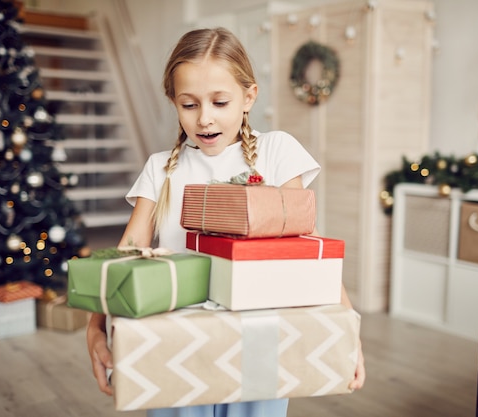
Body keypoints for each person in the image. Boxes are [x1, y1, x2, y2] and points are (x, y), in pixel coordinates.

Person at [86, 27, 366, 417]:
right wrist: (95, 328)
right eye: (189, 105)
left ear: (249, 96)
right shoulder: (158, 169)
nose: (205, 119)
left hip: (262, 344)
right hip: (177, 347)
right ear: (173, 101)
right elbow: (128, 249)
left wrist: (346, 331)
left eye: (220, 102)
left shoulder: (277, 152)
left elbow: (309, 248)